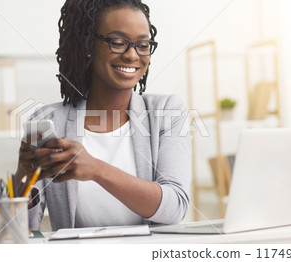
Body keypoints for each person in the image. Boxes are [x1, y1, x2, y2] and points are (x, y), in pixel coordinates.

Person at [15, 0, 192, 231]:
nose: (132, 55)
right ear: (89, 46)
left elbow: (176, 206)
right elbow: (23, 231)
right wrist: (23, 178)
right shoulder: (50, 119)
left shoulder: (167, 111)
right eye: (118, 43)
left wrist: (97, 170)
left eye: (143, 44)